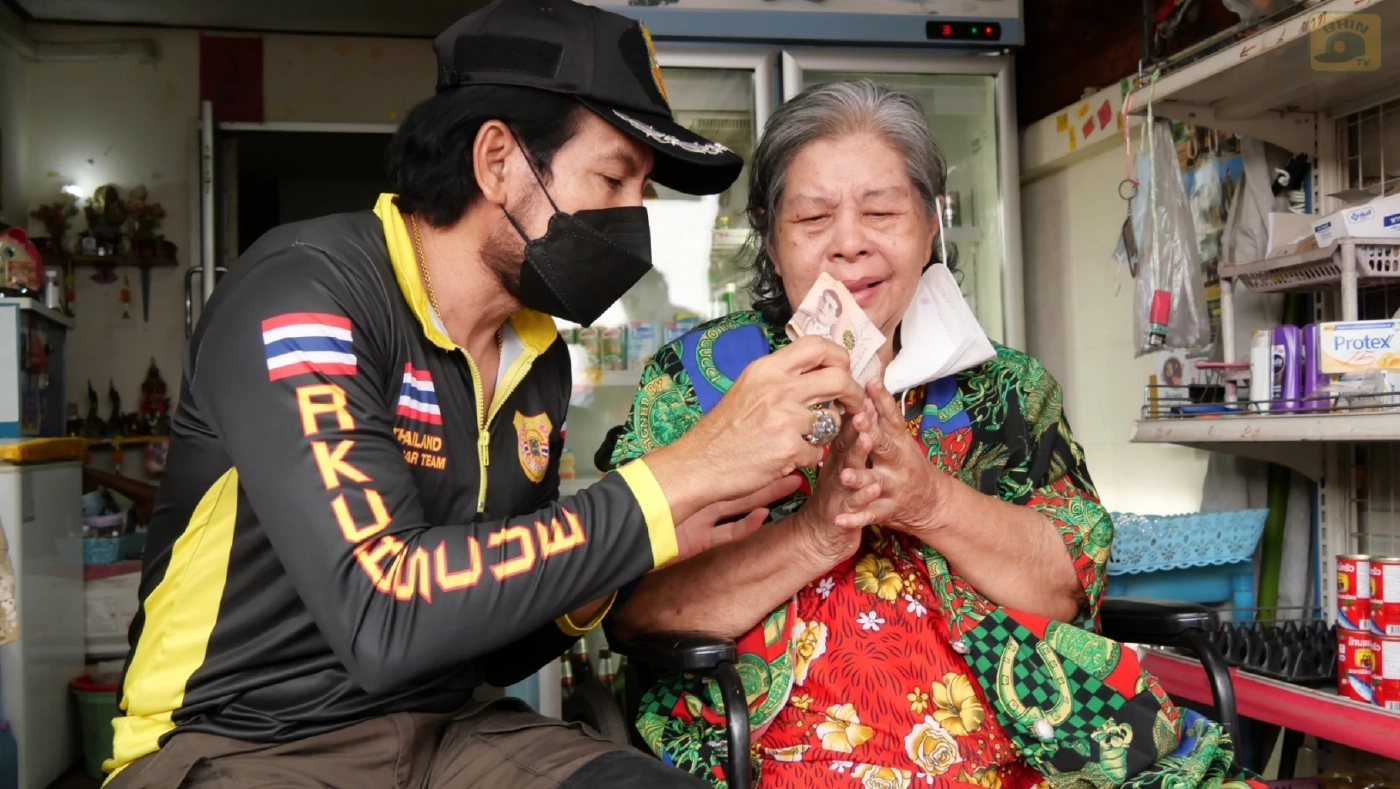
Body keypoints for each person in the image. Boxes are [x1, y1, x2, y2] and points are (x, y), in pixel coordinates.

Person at [105, 2, 866, 788]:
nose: (631, 217)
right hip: (244, 740)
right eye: (611, 177)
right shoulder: (305, 291)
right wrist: (679, 476)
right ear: (498, 159)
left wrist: (637, 553)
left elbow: (498, 645)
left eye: (643, 190)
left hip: (452, 734)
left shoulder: (537, 357)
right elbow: (387, 612)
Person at [608, 81, 1258, 789]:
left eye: (881, 210)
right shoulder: (700, 380)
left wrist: (928, 499)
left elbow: (1067, 586)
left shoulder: (1009, 389)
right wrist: (818, 530)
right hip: (790, 757)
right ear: (770, 235)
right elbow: (642, 612)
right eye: (813, 216)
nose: (849, 243)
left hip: (1035, 754)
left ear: (930, 222)